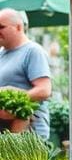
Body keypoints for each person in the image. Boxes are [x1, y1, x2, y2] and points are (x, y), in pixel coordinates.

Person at [0, 9, 52, 140]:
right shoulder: (1, 53)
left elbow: (44, 90)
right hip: (7, 133)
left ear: (18, 27)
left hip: (29, 134)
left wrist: (11, 104)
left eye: (1, 27)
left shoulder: (32, 51)